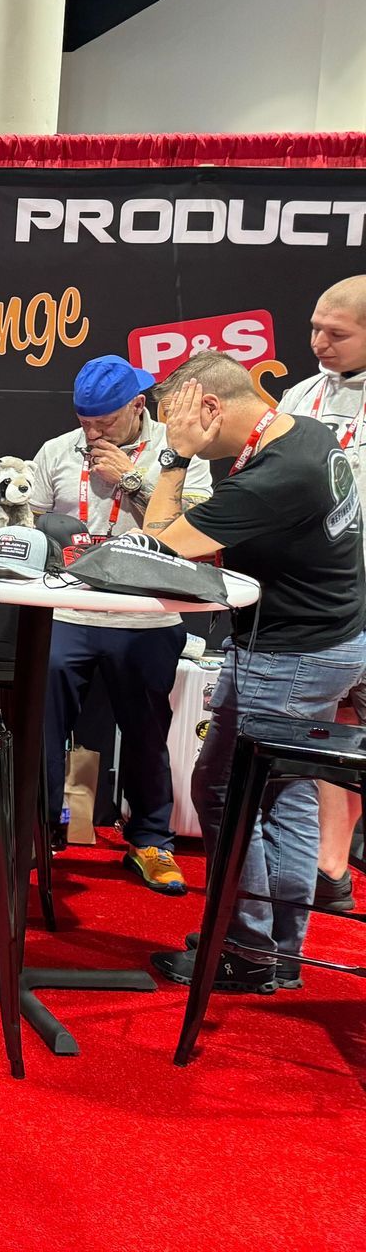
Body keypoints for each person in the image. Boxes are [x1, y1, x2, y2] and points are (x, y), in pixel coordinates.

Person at [139, 351, 366, 993]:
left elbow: (160, 549)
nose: (171, 432)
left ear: (210, 409)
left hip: (290, 656)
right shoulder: (305, 429)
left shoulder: (273, 477)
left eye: (176, 421)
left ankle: (246, 951)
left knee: (225, 792)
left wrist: (175, 459)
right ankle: (276, 954)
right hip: (322, 645)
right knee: (284, 792)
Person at [28, 354, 212, 891]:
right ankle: (36, 835)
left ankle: (151, 841)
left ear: (137, 406)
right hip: (69, 611)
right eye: (85, 420)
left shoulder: (179, 453)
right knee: (42, 729)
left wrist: (130, 480)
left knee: (146, 732)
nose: (91, 431)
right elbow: (30, 519)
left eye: (103, 421)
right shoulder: (57, 450)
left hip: (147, 617)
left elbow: (193, 528)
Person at [275, 276, 366, 913]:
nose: (318, 344)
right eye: (314, 328)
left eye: (336, 334)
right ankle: (328, 866)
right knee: (328, 724)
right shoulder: (298, 395)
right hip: (316, 593)